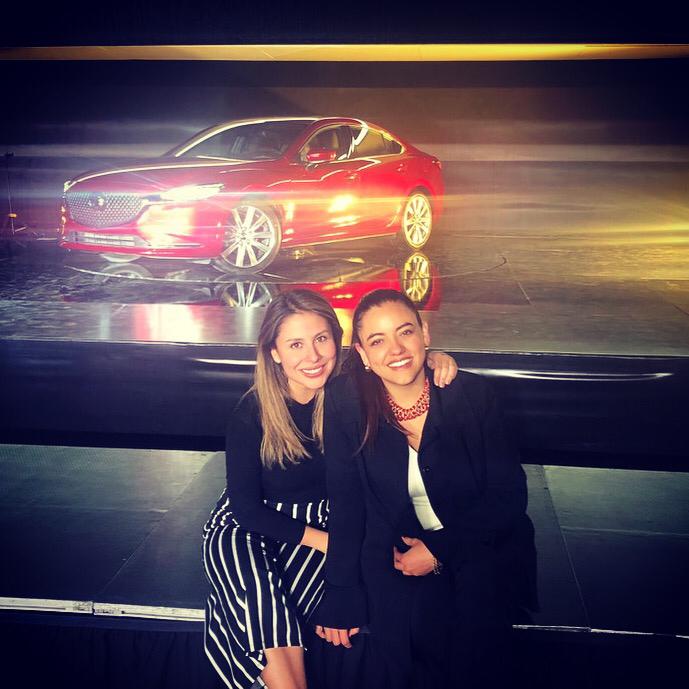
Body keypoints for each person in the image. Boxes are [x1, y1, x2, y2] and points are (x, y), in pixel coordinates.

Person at [201, 289, 459, 689]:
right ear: (274, 352)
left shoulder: (356, 391)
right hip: (250, 525)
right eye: (296, 344)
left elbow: (400, 363)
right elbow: (246, 509)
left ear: (338, 342)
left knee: (287, 607)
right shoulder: (251, 413)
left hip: (331, 520)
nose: (313, 356)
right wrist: (331, 544)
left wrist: (436, 359)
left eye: (321, 339)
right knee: (259, 595)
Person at [314, 288, 538, 688]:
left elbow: (508, 497)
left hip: (480, 542)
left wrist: (439, 549)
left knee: (475, 643)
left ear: (425, 334)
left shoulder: (472, 396)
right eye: (377, 341)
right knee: (404, 645)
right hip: (396, 552)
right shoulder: (345, 401)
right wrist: (341, 589)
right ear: (362, 354)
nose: (396, 349)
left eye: (405, 332)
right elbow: (347, 503)